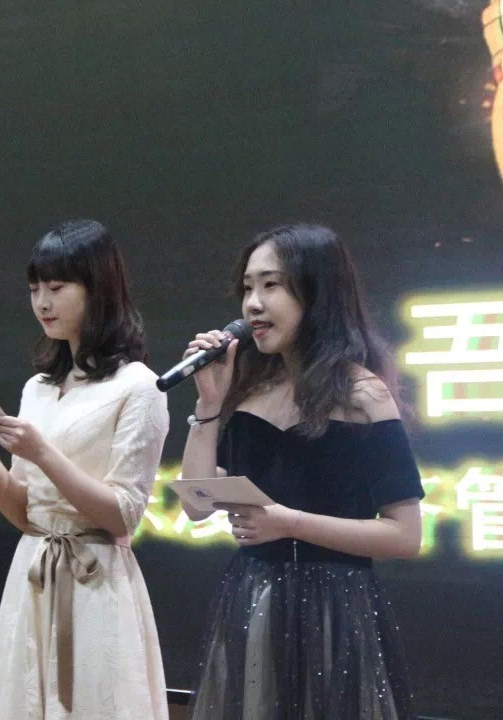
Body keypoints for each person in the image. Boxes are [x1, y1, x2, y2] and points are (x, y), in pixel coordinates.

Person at [180, 223, 424, 719]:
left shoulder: (364, 395)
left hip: (337, 607)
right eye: (248, 287)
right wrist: (208, 405)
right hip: (253, 598)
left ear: (316, 292)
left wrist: (288, 523)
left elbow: (405, 535)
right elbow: (196, 505)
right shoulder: (247, 393)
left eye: (271, 285)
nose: (253, 304)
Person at [0, 219, 169, 720]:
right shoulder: (38, 388)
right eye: (35, 289)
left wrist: (44, 454)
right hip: (33, 576)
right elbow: (25, 514)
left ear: (98, 288)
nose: (42, 302)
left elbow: (124, 515)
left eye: (57, 287)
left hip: (96, 582)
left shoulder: (139, 387)